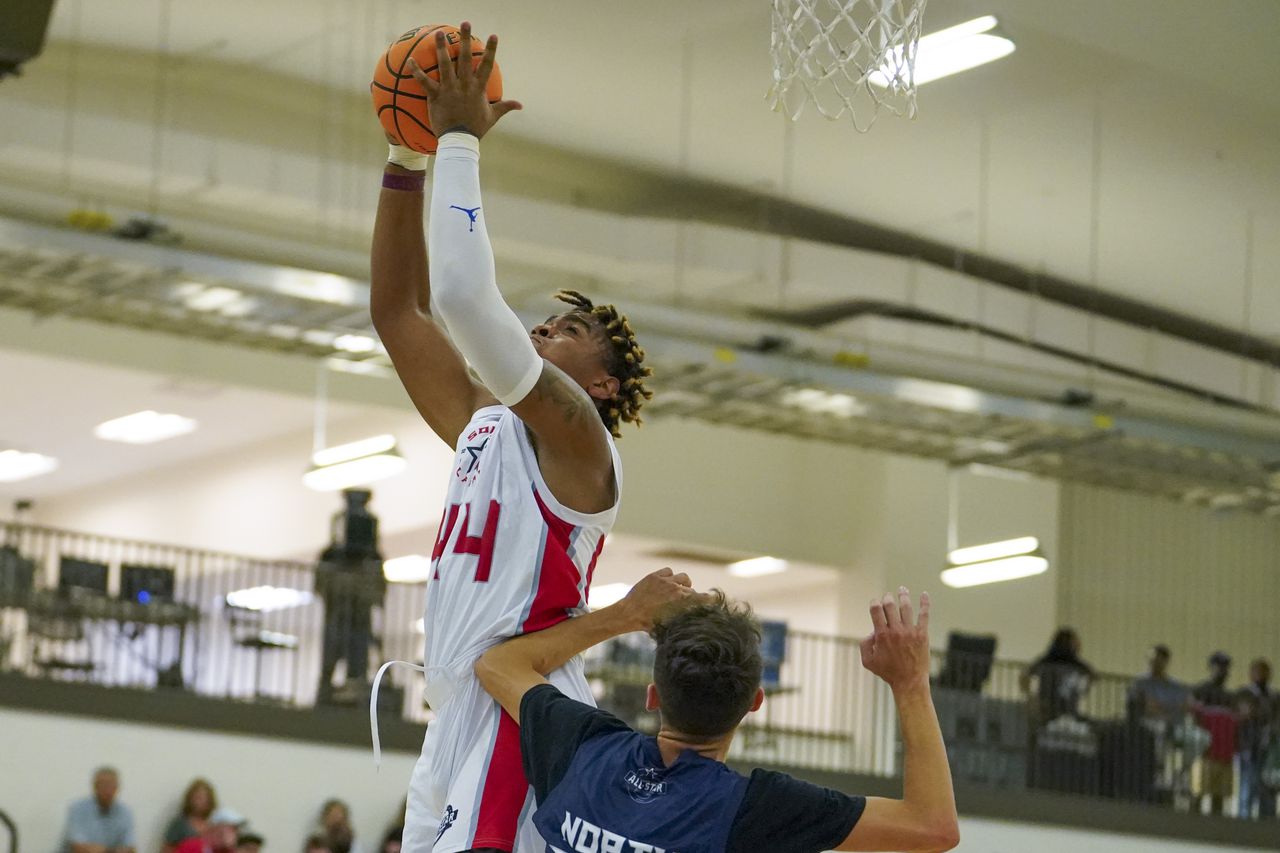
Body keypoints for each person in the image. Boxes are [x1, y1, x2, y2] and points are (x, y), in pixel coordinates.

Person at [370, 20, 652, 853]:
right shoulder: (483, 425)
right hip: (456, 710)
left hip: (521, 704)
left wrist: (457, 137)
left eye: (564, 331)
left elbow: (461, 297)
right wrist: (405, 158)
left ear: (598, 384)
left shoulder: (581, 446)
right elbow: (399, 312)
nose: (539, 329)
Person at [474, 572, 959, 853]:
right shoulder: (758, 810)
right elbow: (933, 827)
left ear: (652, 695)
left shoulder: (583, 748)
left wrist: (626, 614)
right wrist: (911, 684)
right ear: (754, 704)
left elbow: (497, 662)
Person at [316, 489, 385, 704]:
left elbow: (378, 589)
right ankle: (324, 700)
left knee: (358, 662)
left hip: (359, 616)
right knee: (330, 658)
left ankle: (354, 699)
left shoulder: (372, 559)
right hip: (338, 613)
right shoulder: (329, 556)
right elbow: (321, 586)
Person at [1191, 651, 1237, 816]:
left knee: (1219, 795)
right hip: (1205, 751)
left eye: (1225, 668)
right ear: (1210, 668)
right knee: (1199, 790)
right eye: (1219, 667)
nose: (1223, 671)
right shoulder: (1200, 691)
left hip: (1224, 752)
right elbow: (1194, 719)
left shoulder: (1230, 697)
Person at [1022, 628, 1094, 722]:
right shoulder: (1048, 663)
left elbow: (1091, 676)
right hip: (1050, 708)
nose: (1079, 646)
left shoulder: (1077, 665)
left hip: (1067, 709)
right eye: (1075, 643)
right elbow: (1025, 675)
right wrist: (1031, 696)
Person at [60, 767, 136, 853]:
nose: (107, 789)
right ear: (94, 786)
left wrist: (102, 850)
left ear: (117, 788)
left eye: (111, 785)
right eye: (103, 785)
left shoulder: (125, 812)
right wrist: (113, 850)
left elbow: (130, 848)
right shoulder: (77, 809)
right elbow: (79, 848)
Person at [1236, 658, 1276, 819]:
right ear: (1251, 674)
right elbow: (1245, 714)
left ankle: (1267, 821)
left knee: (1268, 787)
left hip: (1269, 749)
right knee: (1248, 785)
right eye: (1258, 671)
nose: (1261, 675)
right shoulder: (1243, 693)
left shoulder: (1274, 696)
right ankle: (1243, 821)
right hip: (1248, 747)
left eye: (1264, 671)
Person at [1127, 645, 1190, 729]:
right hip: (1147, 724)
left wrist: (1161, 708)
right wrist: (1167, 708)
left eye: (1156, 661)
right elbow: (1144, 707)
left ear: (1165, 662)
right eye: (1150, 660)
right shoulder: (1139, 683)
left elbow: (1183, 707)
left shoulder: (1176, 686)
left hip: (1174, 724)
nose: (1152, 664)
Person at [163, 778, 219, 852]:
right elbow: (166, 849)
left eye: (204, 798)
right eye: (197, 797)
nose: (200, 802)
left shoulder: (215, 823)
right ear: (190, 799)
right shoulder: (179, 823)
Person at [174, 809, 245, 853]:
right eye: (233, 829)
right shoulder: (191, 847)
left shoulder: (229, 851)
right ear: (217, 828)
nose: (236, 833)